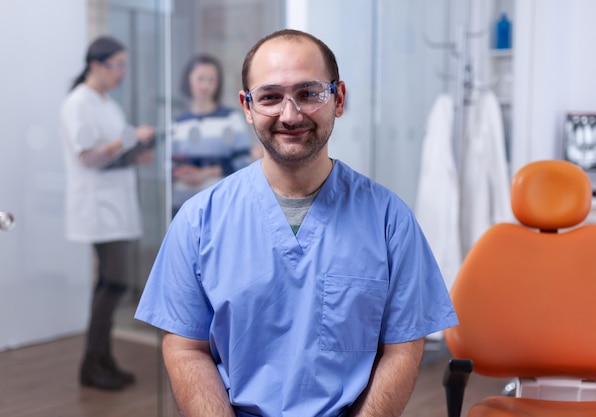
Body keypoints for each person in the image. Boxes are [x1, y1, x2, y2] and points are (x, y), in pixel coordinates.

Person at [135, 29, 457, 416]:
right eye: (270, 97)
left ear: (338, 99)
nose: (290, 115)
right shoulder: (198, 221)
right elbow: (187, 347)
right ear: (247, 106)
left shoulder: (390, 221)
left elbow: (403, 347)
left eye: (309, 93)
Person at [60, 35, 155, 390]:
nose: (123, 73)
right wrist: (131, 137)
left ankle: (102, 358)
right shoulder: (78, 103)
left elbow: (112, 155)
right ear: (96, 65)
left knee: (110, 283)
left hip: (116, 205)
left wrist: (134, 153)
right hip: (97, 208)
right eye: (117, 65)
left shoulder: (108, 104)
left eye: (124, 65)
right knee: (114, 283)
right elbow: (89, 157)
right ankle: (92, 362)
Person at [171, 53, 257, 214]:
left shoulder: (231, 119)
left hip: (220, 205)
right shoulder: (177, 123)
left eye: (211, 80)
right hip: (182, 206)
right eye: (200, 79)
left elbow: (243, 162)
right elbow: (168, 165)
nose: (205, 85)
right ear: (189, 79)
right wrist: (180, 172)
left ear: (218, 84)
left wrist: (204, 173)